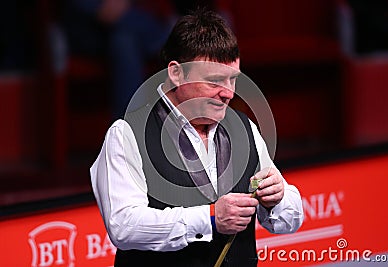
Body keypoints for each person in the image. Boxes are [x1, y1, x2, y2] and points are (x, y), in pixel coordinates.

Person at [90, 8, 304, 267]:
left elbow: (287, 221)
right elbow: (123, 226)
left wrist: (278, 199)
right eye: (214, 81)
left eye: (233, 80)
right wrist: (211, 218)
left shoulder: (244, 128)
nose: (228, 93)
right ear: (176, 73)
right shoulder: (126, 134)